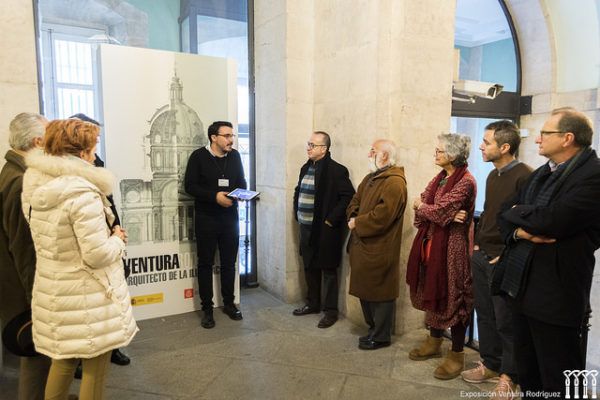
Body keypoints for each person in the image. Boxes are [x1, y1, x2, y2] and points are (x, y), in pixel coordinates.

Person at [22, 119, 138, 400]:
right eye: (93, 147)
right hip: (89, 295)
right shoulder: (82, 192)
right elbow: (97, 254)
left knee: (63, 362)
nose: (95, 155)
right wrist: (117, 239)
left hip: (55, 289)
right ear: (82, 151)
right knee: (95, 370)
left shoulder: (36, 182)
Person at [497, 107, 600, 399]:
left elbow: (554, 221)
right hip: (521, 285)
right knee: (529, 373)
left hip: (556, 292)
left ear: (567, 138)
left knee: (560, 377)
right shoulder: (543, 172)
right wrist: (520, 232)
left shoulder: (593, 174)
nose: (537, 139)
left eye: (545, 133)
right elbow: (503, 213)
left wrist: (520, 212)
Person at [460, 121, 532, 397]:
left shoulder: (525, 176)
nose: (481, 146)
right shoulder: (492, 175)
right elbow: (491, 214)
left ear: (504, 147)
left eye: (487, 142)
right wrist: (478, 244)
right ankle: (490, 364)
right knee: (485, 314)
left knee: (507, 321)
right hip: (482, 254)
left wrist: (505, 254)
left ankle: (509, 376)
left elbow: (528, 221)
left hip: (504, 259)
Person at [406, 133, 476, 380]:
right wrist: (436, 212)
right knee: (431, 288)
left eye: (439, 151)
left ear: (453, 154)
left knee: (454, 295)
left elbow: (437, 210)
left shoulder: (466, 181)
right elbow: (427, 207)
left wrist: (428, 209)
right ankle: (434, 341)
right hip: (431, 243)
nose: (435, 154)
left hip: (452, 248)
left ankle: (457, 354)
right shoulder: (440, 178)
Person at [69, 113, 131, 368]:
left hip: (108, 234)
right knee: (85, 307)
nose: (97, 144)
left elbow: (108, 201)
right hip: (87, 249)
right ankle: (80, 360)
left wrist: (116, 228)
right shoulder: (68, 175)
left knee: (112, 299)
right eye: (95, 138)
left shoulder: (97, 161)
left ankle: (113, 347)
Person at [0, 112, 49, 400]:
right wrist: (37, 297)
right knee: (37, 357)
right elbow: (23, 247)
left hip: (19, 283)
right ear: (37, 141)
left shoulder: (13, 171)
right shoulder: (20, 180)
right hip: (24, 289)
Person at [184, 121, 247, 329]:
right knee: (205, 264)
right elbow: (190, 186)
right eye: (227, 136)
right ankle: (207, 310)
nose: (231, 140)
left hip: (230, 218)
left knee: (229, 263)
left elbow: (242, 181)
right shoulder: (198, 157)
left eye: (232, 136)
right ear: (213, 137)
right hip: (207, 218)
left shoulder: (235, 156)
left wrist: (241, 194)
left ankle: (229, 304)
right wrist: (215, 196)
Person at [346, 139, 407, 350]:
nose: (368, 154)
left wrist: (357, 223)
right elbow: (354, 201)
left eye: (373, 151)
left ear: (384, 155)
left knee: (381, 293)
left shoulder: (394, 182)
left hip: (380, 247)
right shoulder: (370, 177)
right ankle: (373, 329)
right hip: (363, 245)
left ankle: (381, 336)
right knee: (366, 291)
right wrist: (353, 216)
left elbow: (383, 216)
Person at [292, 131, 355, 328]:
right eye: (308, 144)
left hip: (325, 230)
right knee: (309, 266)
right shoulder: (306, 167)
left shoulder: (337, 170)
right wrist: (297, 211)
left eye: (312, 145)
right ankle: (312, 303)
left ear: (324, 149)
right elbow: (298, 190)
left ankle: (330, 312)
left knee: (328, 270)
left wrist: (330, 220)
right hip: (305, 227)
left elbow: (348, 197)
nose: (308, 148)